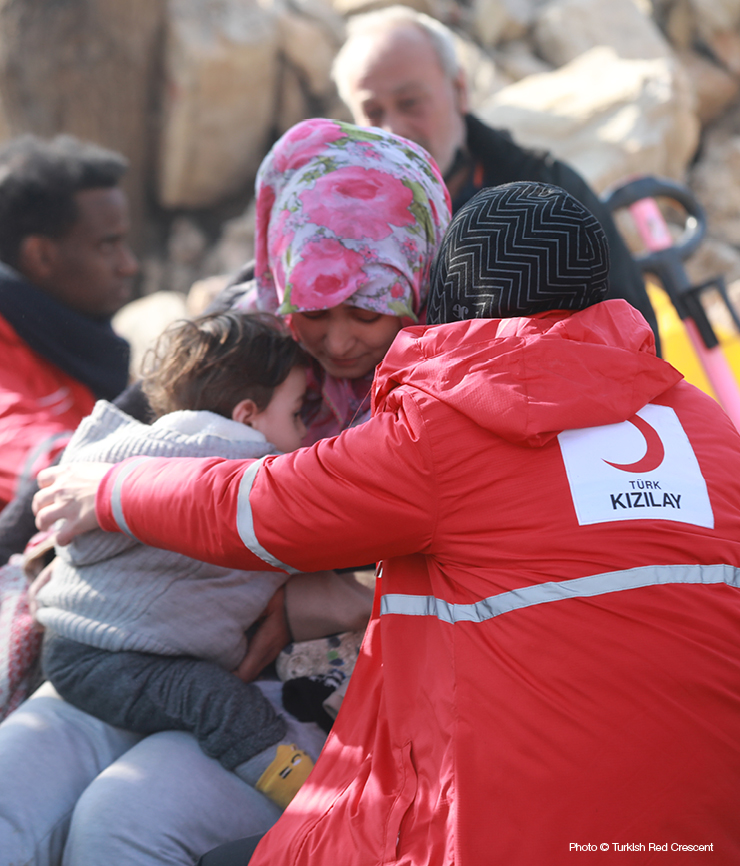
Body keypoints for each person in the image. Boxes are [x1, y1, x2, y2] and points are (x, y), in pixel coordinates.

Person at [35, 181, 740, 865]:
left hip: (522, 831)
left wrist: (108, 489)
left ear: (440, 291)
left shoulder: (451, 426)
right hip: (727, 826)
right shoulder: (700, 424)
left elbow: (258, 507)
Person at [0, 119, 451, 866]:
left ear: (416, 276)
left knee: (122, 823)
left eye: (367, 312)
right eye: (313, 310)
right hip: (135, 646)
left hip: (321, 691)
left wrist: (300, 598)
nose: (337, 343)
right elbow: (114, 441)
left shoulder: (448, 384)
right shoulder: (242, 344)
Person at [36, 310, 329, 809]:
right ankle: (304, 793)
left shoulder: (141, 450)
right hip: (109, 657)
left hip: (80, 645)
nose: (305, 433)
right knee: (211, 699)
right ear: (246, 416)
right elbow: (295, 528)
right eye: (298, 413)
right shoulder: (237, 464)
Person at [330, 5, 662, 351]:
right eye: (372, 112)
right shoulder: (338, 225)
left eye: (410, 102)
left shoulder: (549, 195)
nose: (394, 129)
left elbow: (635, 335)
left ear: (460, 89)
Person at [0, 133, 137, 553]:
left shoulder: (67, 337)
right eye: (107, 244)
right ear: (41, 256)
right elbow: (44, 462)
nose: (129, 265)